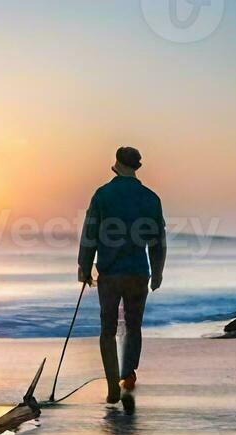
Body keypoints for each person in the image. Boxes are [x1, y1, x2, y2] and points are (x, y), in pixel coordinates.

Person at [77, 146, 167, 406]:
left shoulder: (103, 195)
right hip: (138, 272)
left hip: (110, 273)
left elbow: (90, 233)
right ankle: (127, 376)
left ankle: (111, 384)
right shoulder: (151, 198)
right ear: (137, 167)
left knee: (107, 330)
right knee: (133, 326)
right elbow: (157, 240)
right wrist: (158, 270)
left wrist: (84, 266)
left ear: (116, 165)